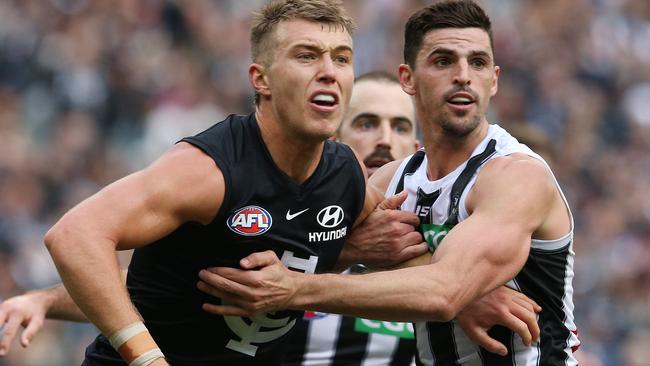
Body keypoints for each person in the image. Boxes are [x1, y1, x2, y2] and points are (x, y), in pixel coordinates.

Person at [0, 1, 542, 364]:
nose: (328, 71)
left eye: (342, 59)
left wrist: (462, 294)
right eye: (306, 56)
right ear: (260, 79)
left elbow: (396, 253)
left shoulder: (346, 175)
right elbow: (74, 237)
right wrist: (147, 359)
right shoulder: (209, 168)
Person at [195, 1, 581, 365]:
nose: (463, 75)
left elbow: (444, 292)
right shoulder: (393, 180)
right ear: (407, 79)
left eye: (478, 62)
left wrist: (294, 288)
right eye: (443, 61)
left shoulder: (516, 175)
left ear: (494, 80)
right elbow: (317, 247)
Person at [284, 70, 420, 365]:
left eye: (400, 127)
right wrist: (348, 252)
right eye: (367, 123)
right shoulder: (285, 220)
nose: (384, 140)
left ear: (416, 151)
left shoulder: (442, 244)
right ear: (331, 140)